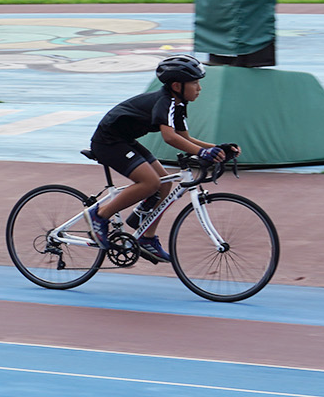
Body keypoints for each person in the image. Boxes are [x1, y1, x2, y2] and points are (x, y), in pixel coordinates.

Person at [83, 55, 238, 263]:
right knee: (150, 182)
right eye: (194, 83)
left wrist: (217, 148)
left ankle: (147, 238)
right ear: (177, 85)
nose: (199, 88)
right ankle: (99, 215)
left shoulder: (179, 103)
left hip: (125, 140)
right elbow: (170, 137)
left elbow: (185, 138)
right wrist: (202, 153)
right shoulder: (165, 101)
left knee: (164, 186)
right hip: (108, 142)